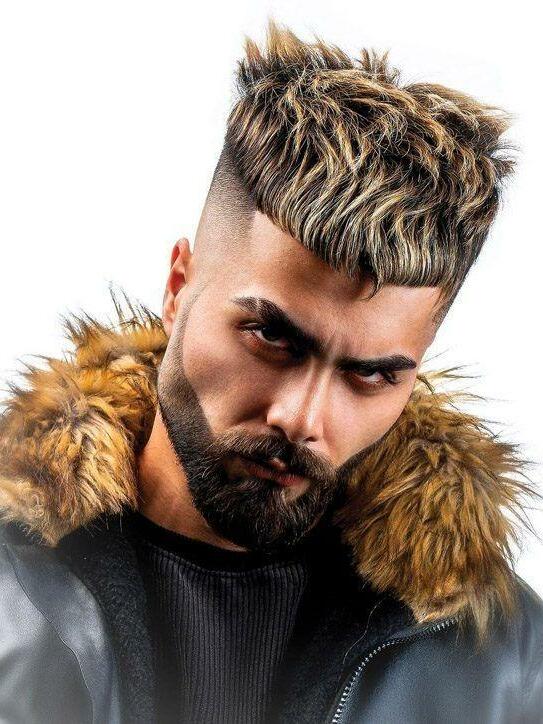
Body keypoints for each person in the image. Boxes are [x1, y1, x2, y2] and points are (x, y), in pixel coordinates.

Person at [1, 17, 542, 724]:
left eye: (371, 375)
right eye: (270, 337)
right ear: (178, 287)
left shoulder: (502, 662)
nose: (302, 418)